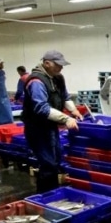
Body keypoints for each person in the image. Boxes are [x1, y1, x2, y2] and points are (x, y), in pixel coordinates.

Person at [22, 50, 82, 193]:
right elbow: (41, 108)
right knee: (48, 164)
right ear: (47, 63)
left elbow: (65, 97)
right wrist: (66, 118)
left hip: (50, 126)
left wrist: (74, 110)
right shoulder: (36, 82)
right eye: (58, 65)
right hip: (37, 129)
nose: (61, 68)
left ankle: (53, 193)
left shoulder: (57, 77)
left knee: (56, 160)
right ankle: (45, 197)